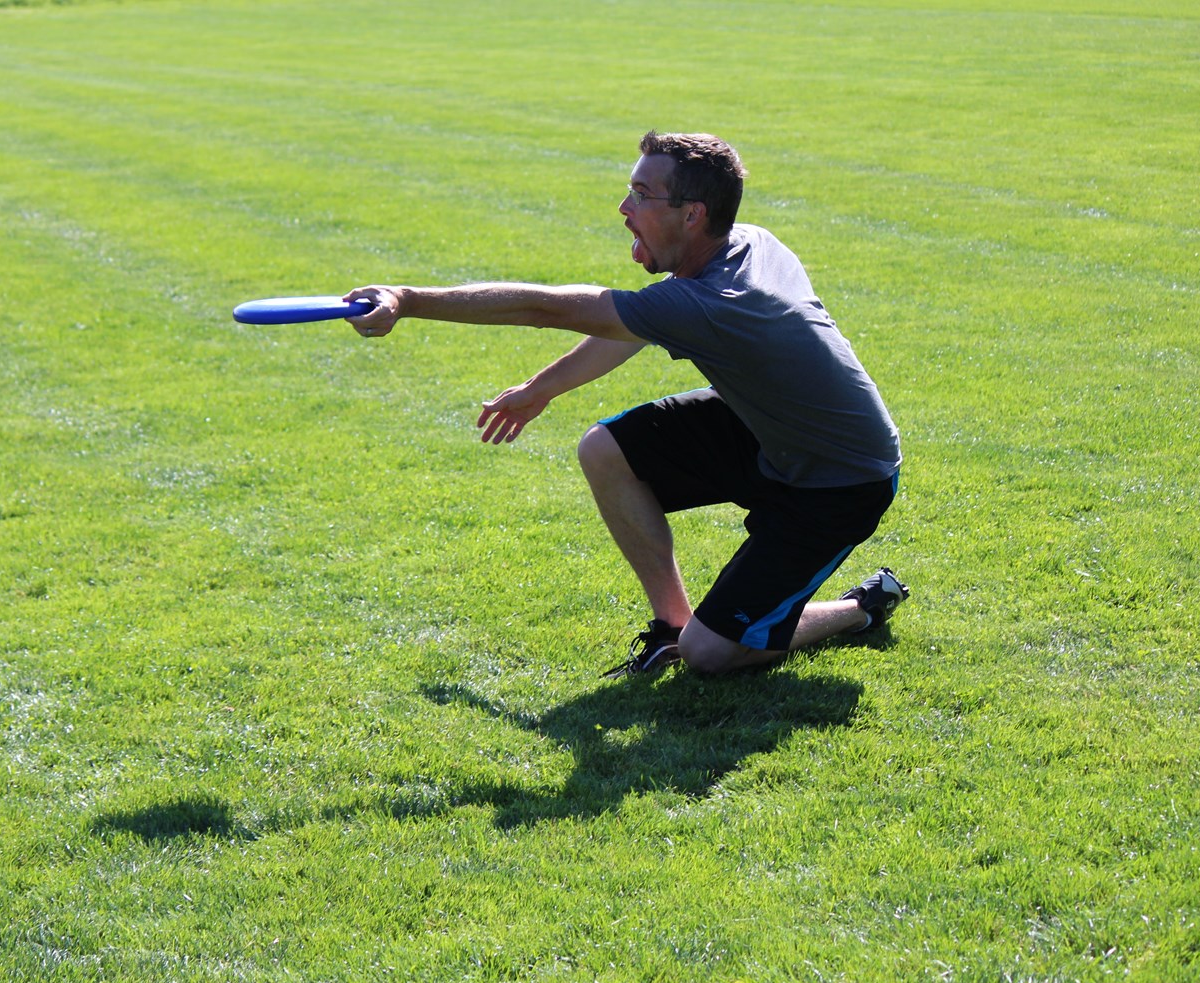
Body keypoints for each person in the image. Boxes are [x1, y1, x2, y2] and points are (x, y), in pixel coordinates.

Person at [345, 131, 907, 677]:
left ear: (693, 214)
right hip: (765, 431)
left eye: (642, 194)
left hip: (840, 479)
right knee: (606, 449)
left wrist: (406, 299)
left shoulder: (716, 299)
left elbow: (549, 308)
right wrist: (541, 389)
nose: (624, 207)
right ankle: (672, 625)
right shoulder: (744, 243)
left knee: (710, 655)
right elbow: (638, 326)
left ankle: (860, 607)